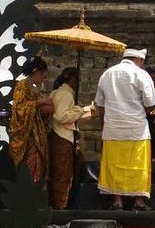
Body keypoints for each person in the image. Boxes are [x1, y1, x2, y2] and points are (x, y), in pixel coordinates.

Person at [95, 46, 155, 211]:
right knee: (138, 166)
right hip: (136, 129)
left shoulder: (107, 74)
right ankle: (139, 202)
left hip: (112, 129)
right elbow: (151, 104)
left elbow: (99, 105)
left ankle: (117, 201)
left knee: (115, 166)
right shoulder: (142, 74)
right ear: (139, 60)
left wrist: (103, 125)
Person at [48, 67, 97, 209]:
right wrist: (79, 110)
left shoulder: (59, 92)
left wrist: (85, 110)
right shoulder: (64, 94)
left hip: (64, 137)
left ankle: (63, 205)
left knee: (66, 174)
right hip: (63, 138)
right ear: (72, 79)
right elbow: (61, 116)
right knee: (63, 177)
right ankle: (60, 209)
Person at [9, 56, 54, 182]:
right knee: (30, 166)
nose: (43, 78)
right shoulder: (21, 86)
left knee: (38, 165)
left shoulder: (34, 89)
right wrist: (39, 102)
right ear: (36, 71)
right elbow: (18, 109)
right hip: (27, 137)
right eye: (43, 75)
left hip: (37, 133)